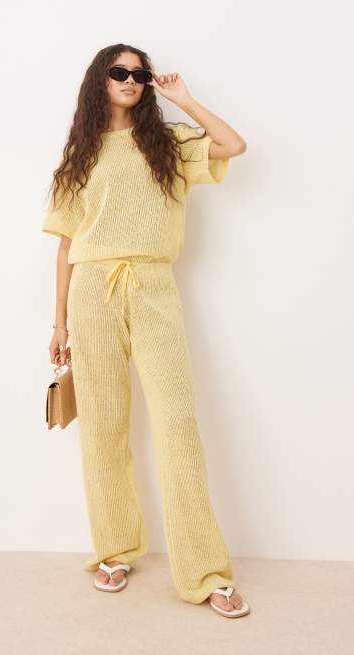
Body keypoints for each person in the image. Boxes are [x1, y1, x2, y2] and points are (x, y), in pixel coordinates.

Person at [41, 43, 249, 618]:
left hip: (155, 286)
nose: (130, 80)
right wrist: (59, 323)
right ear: (100, 80)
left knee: (177, 423)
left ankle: (204, 571)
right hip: (93, 291)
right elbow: (65, 243)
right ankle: (114, 550)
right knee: (103, 427)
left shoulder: (170, 142)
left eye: (139, 73)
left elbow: (233, 145)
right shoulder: (80, 152)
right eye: (119, 72)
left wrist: (184, 99)